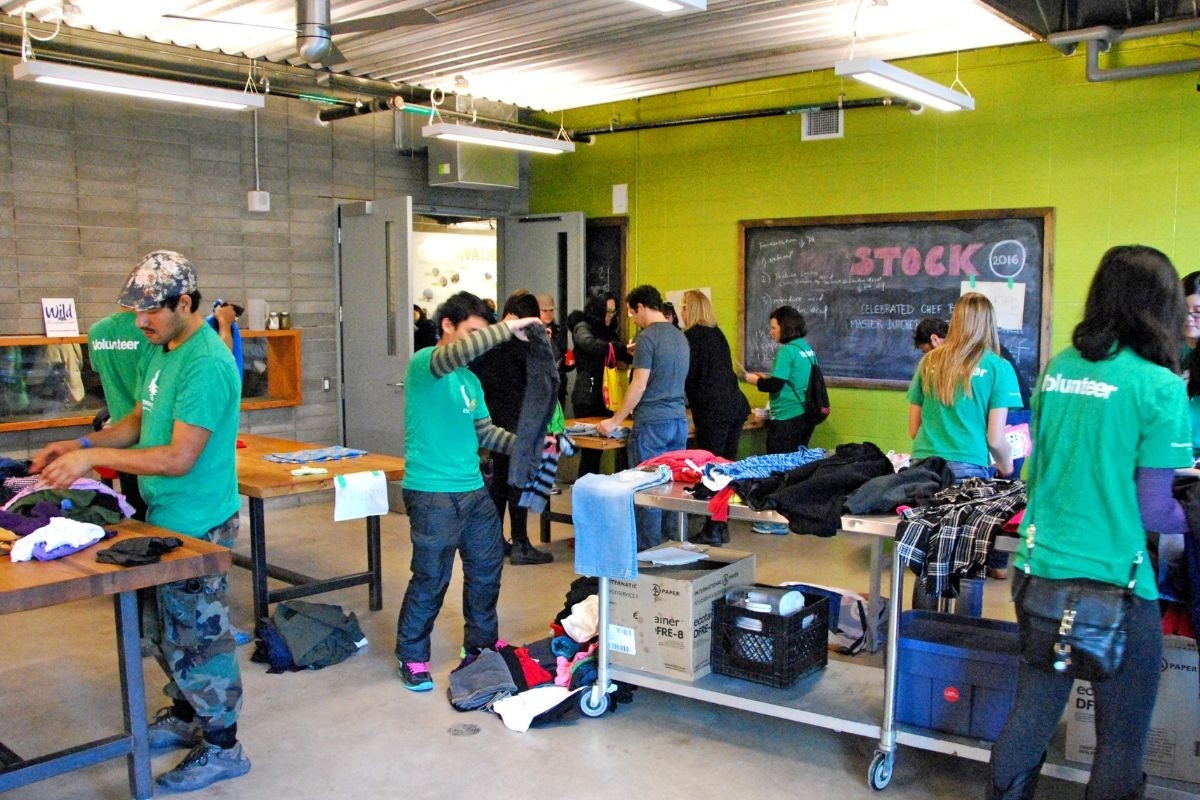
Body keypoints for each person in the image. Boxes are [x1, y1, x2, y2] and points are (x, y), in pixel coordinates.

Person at [32, 250, 249, 793]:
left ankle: (225, 747)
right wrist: (83, 442)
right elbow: (138, 420)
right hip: (164, 517)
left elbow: (178, 457)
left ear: (184, 303)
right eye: (133, 312)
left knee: (199, 639)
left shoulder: (206, 363)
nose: (138, 323)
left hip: (199, 523)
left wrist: (88, 462)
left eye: (148, 311)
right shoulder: (163, 349)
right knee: (161, 631)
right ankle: (185, 714)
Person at [989, 245, 1190, 800]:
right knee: (1121, 741)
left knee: (1029, 717)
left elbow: (1034, 472)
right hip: (1117, 587)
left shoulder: (1057, 369)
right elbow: (1155, 511)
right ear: (1162, 306)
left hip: (1040, 569)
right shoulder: (1161, 386)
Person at [394, 291, 547, 692]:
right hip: (432, 494)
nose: (481, 341)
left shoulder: (471, 381)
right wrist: (507, 328)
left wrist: (527, 443)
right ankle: (411, 655)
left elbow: (485, 433)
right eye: (473, 333)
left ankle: (479, 646)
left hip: (473, 489)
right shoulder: (425, 365)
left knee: (485, 570)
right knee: (431, 577)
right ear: (448, 326)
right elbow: (453, 356)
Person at [597, 285, 689, 549]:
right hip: (678, 422)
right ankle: (673, 546)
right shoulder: (680, 337)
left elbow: (639, 385)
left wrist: (614, 421)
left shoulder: (648, 338)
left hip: (651, 424)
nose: (633, 320)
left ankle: (648, 552)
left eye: (632, 313)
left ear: (640, 307)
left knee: (648, 491)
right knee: (673, 488)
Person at [471, 290, 555, 566]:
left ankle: (495, 544)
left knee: (497, 488)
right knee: (519, 484)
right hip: (520, 424)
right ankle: (520, 543)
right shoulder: (526, 346)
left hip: (491, 425)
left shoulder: (487, 342)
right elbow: (544, 384)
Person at [907, 294, 1018, 484]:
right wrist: (1006, 467)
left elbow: (914, 429)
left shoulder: (928, 361)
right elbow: (995, 440)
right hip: (968, 466)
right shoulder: (998, 367)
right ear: (989, 323)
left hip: (922, 463)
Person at [86, 309, 152, 520]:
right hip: (155, 438)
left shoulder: (97, 331)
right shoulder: (151, 332)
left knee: (136, 514)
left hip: (122, 438)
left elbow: (101, 372)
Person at [681, 289, 749, 460]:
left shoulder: (689, 337)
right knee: (728, 462)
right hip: (735, 406)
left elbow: (688, 375)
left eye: (683, 307)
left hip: (712, 411)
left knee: (710, 464)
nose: (681, 312)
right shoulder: (718, 333)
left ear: (691, 310)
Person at [567, 291, 629, 478]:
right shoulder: (582, 326)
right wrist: (619, 348)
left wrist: (627, 352)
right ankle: (584, 492)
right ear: (597, 310)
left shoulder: (608, 330)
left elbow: (616, 350)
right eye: (607, 311)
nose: (610, 315)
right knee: (591, 452)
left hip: (604, 396)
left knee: (600, 450)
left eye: (613, 312)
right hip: (588, 395)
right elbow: (589, 344)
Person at [743, 305, 818, 454]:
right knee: (796, 462)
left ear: (785, 327)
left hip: (786, 418)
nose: (771, 332)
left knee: (778, 465)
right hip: (805, 415)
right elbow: (793, 379)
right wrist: (768, 379)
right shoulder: (805, 348)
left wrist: (755, 380)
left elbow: (775, 385)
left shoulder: (786, 351)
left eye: (774, 328)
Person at [538, 292, 572, 410]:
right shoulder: (529, 332)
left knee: (557, 422)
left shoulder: (558, 331)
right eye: (545, 310)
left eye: (551, 310)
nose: (549, 314)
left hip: (558, 385)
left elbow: (564, 357)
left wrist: (570, 360)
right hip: (539, 387)